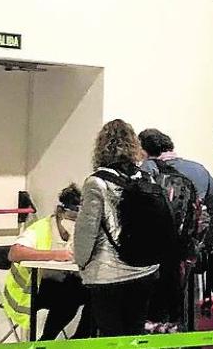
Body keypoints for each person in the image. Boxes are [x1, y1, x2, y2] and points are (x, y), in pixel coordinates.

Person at [139, 128, 213, 328]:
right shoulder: (198, 170)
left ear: (144, 151)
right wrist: (206, 244)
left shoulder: (145, 171)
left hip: (150, 258)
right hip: (186, 253)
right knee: (182, 309)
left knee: (151, 316)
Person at [74, 119, 159, 337]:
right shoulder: (146, 178)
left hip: (108, 274)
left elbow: (86, 232)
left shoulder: (96, 183)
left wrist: (81, 263)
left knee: (111, 336)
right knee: (135, 335)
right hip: (145, 269)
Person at [3, 184, 91, 340]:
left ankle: (80, 338)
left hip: (62, 283)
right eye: (72, 218)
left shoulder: (82, 232)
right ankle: (47, 340)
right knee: (70, 294)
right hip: (30, 290)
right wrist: (56, 254)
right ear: (59, 212)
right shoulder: (41, 228)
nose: (75, 223)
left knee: (97, 293)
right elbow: (14, 253)